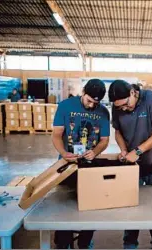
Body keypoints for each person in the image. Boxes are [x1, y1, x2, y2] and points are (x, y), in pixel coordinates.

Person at [108, 80, 152, 249]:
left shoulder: (150, 98)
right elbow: (118, 131)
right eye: (119, 107)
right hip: (132, 167)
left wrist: (138, 151)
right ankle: (129, 243)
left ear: (133, 93)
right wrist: (123, 150)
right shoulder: (118, 105)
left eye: (126, 104)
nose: (124, 109)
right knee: (131, 205)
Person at [52, 79, 110, 249]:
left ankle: (85, 241)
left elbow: (104, 140)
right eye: (89, 101)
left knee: (89, 205)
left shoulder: (103, 112)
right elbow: (56, 135)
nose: (92, 106)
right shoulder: (65, 106)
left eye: (96, 103)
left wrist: (95, 152)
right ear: (83, 92)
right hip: (67, 165)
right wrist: (64, 153)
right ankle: (63, 242)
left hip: (89, 167)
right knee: (64, 206)